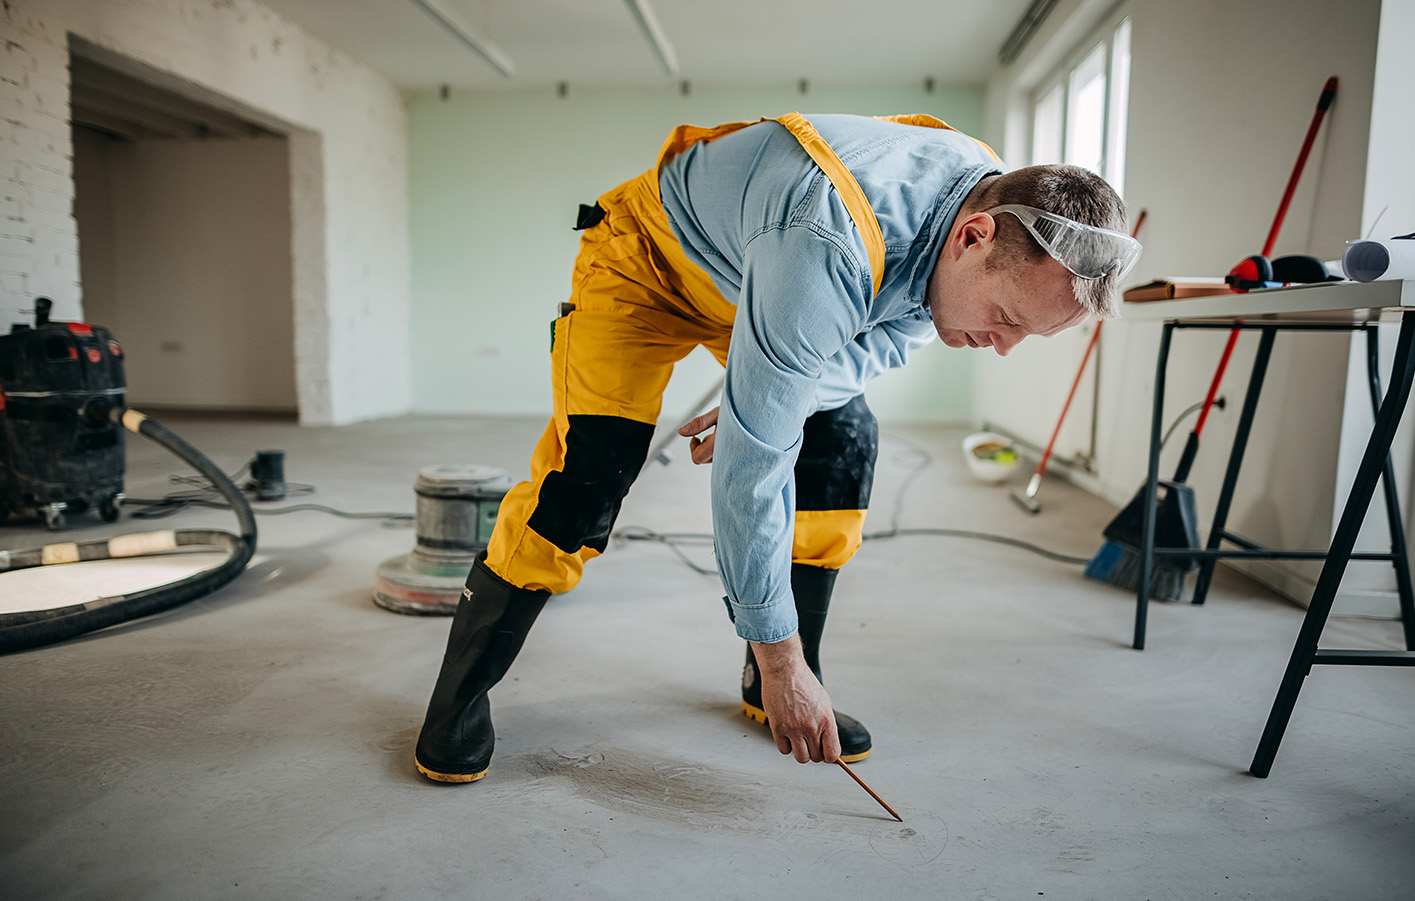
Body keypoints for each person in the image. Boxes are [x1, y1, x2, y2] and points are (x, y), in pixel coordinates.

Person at [412, 112, 1140, 783]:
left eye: (1025, 334)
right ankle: (458, 698)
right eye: (1006, 318)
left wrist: (770, 402)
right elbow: (750, 470)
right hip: (644, 266)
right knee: (586, 478)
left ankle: (775, 683)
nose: (1002, 348)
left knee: (841, 439)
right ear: (972, 237)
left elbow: (889, 335)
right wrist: (777, 654)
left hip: (755, 272)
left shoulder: (985, 205)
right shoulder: (828, 237)